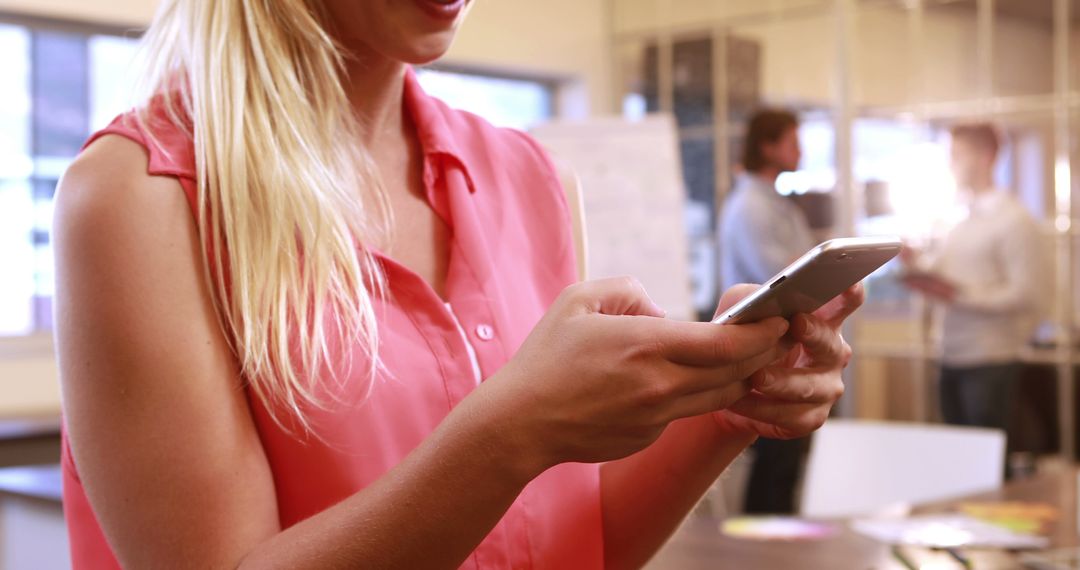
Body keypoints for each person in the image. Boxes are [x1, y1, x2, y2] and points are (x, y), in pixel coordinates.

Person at [53, 2, 860, 568]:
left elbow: (578, 546)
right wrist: (510, 434)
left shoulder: (533, 180)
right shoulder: (141, 197)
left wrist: (728, 401)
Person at [901, 123, 1044, 440]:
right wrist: (913, 263)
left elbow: (1026, 294)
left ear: (986, 156)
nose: (951, 164)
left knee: (989, 461)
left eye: (957, 155)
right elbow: (940, 269)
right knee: (959, 458)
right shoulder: (955, 216)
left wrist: (959, 296)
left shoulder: (1013, 219)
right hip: (951, 352)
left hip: (990, 357)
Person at [718, 109, 818, 514]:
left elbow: (805, 266)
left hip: (784, 347)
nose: (801, 151)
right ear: (768, 146)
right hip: (763, 351)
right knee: (775, 465)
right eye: (793, 142)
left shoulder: (778, 205)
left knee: (787, 464)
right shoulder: (750, 208)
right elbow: (786, 279)